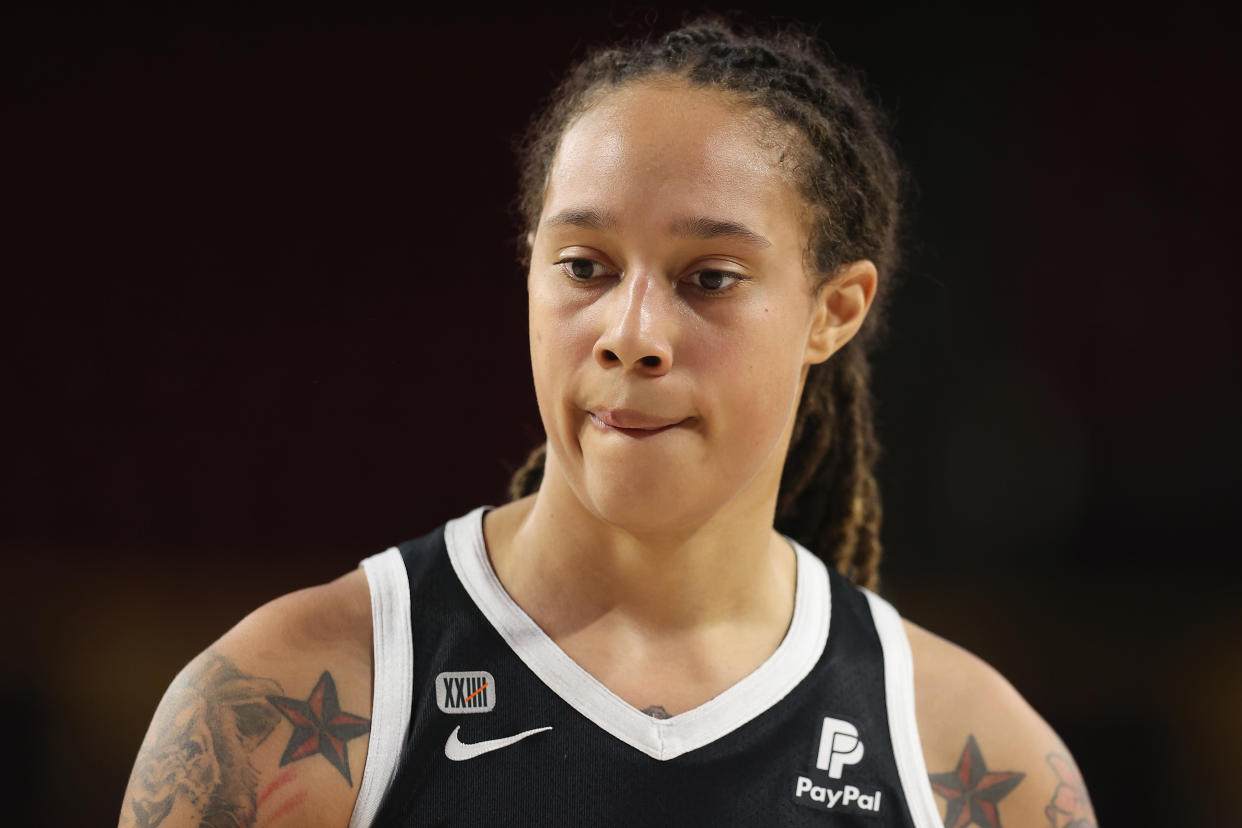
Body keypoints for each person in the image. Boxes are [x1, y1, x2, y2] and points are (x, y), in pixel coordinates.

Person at [118, 14, 1098, 828]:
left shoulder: (973, 767)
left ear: (833, 311)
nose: (632, 335)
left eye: (708, 279)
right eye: (584, 266)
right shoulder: (291, 699)